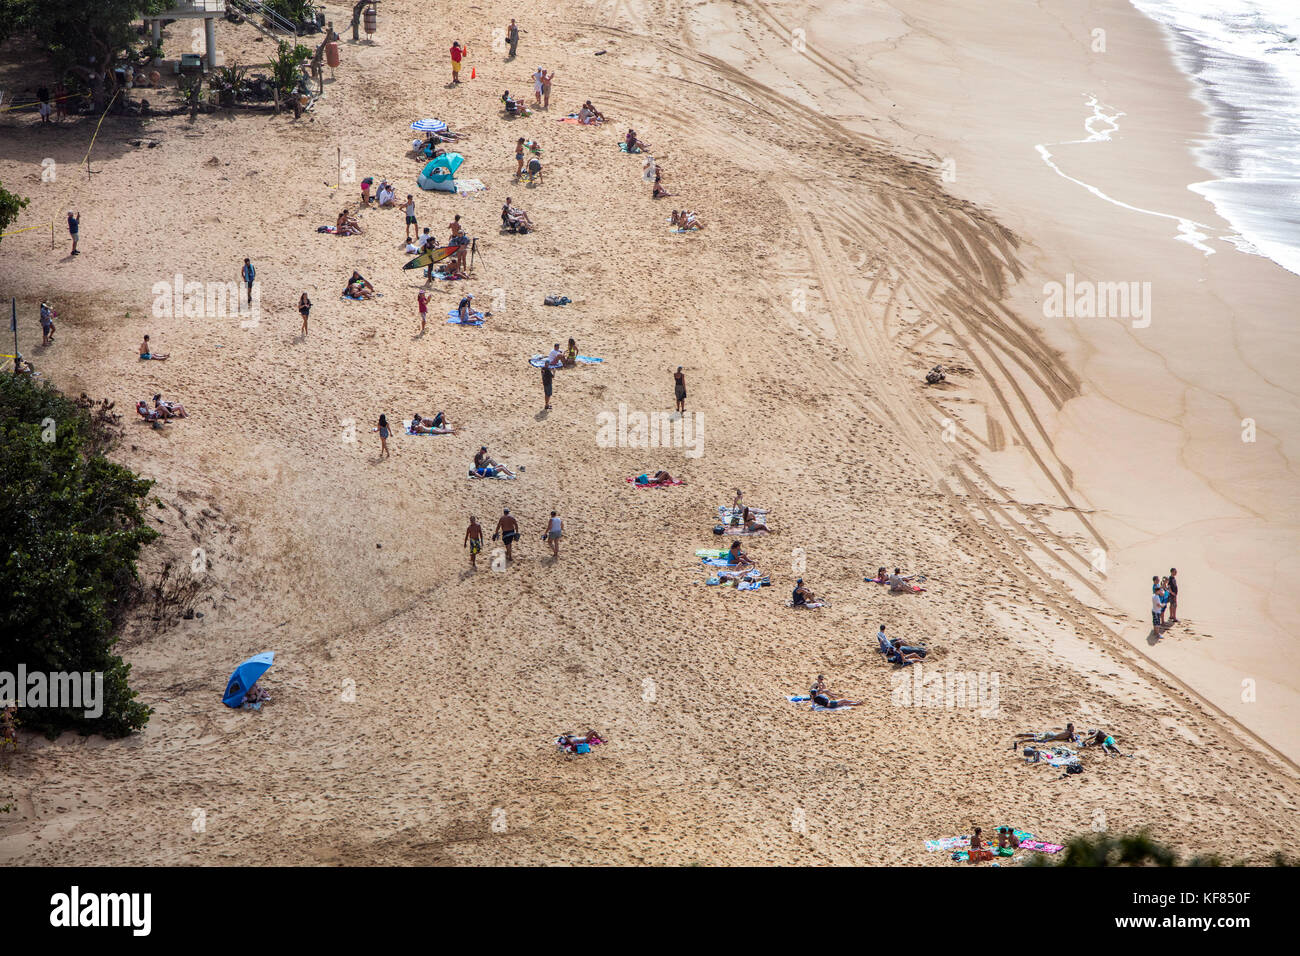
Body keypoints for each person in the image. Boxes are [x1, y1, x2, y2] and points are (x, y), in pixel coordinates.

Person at [1010, 723, 1076, 750]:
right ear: (1069, 728)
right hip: (1050, 736)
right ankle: (1023, 741)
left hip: (1050, 733)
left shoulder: (1067, 731)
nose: (1073, 728)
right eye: (1072, 727)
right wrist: (1048, 740)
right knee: (1036, 739)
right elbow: (1074, 740)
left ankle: (1022, 734)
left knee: (1036, 734)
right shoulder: (1069, 733)